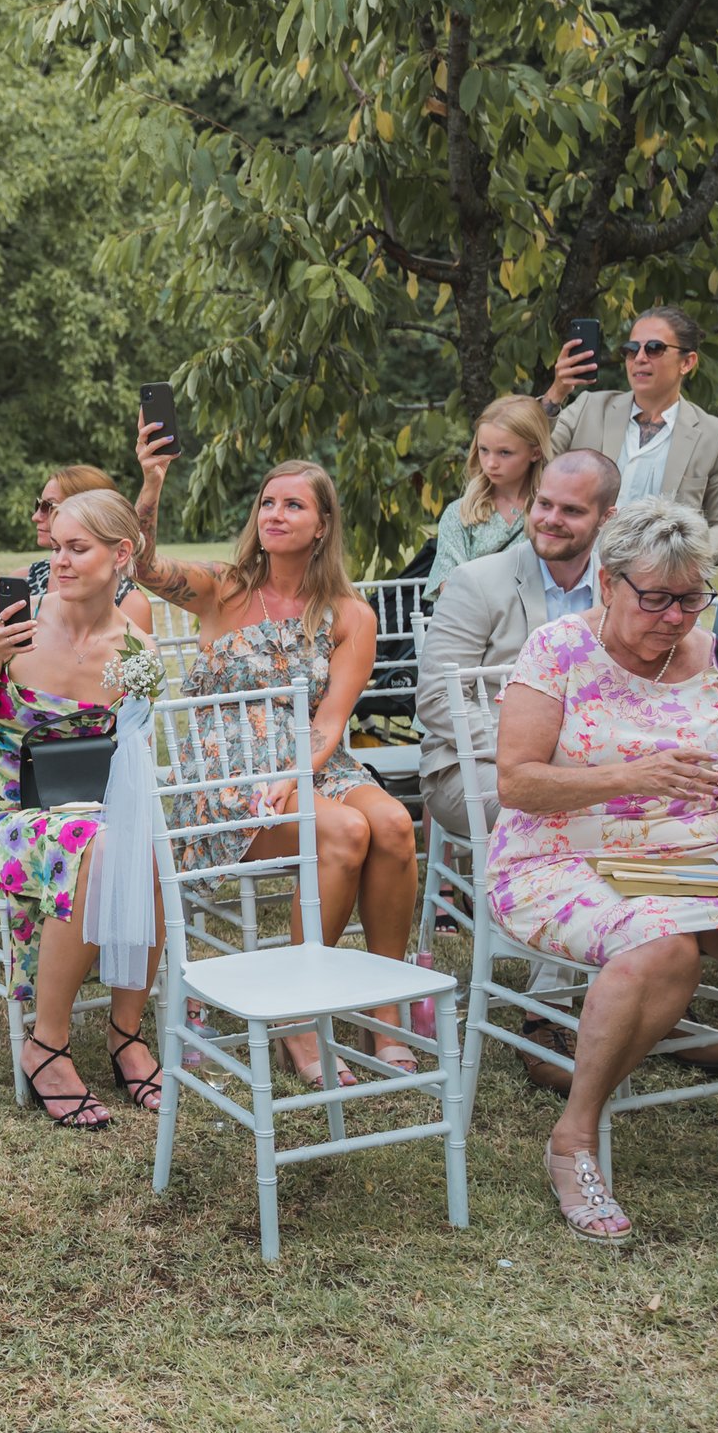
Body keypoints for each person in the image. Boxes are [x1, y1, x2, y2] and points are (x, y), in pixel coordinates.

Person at [487, 500, 718, 1253]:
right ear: (608, 585)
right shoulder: (556, 651)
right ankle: (573, 1141)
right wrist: (633, 775)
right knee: (664, 945)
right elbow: (517, 784)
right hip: (562, 855)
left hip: (698, 856)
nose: (675, 616)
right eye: (655, 597)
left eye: (690, 599)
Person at [132, 443, 419, 1084]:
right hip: (230, 778)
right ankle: (296, 1016)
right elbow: (143, 566)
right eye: (268, 502)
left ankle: (384, 1006)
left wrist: (294, 776)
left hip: (316, 764)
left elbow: (329, 721)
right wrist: (152, 484)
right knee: (345, 831)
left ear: (322, 526)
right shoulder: (222, 590)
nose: (276, 514)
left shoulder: (350, 614)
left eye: (294, 505)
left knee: (396, 824)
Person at [0, 489, 168, 1127]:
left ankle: (126, 1033)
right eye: (56, 547)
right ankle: (47, 1041)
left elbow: (137, 758)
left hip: (91, 819)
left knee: (142, 839)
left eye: (77, 548)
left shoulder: (138, 654)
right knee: (95, 843)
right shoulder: (14, 628)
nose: (59, 561)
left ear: (121, 554)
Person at [415, 451, 621, 1092]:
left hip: (591, 772)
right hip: (470, 768)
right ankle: (548, 1011)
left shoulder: (623, 588)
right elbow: (434, 702)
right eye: (544, 505)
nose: (551, 519)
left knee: (650, 816)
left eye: (571, 510)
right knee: (559, 811)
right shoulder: (479, 582)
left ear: (606, 517)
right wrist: (532, 762)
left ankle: (634, 979)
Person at [539, 306, 718, 562]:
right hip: (573, 579)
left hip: (657, 590)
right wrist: (556, 394)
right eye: (631, 350)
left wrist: (679, 555)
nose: (639, 358)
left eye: (654, 348)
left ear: (687, 362)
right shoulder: (589, 408)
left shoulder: (716, 436)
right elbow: (529, 458)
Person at [423, 394, 555, 600]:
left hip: (542, 626)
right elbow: (450, 589)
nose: (491, 463)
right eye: (484, 450)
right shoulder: (461, 513)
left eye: (504, 452)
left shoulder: (553, 512)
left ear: (536, 453)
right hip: (476, 625)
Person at [21, 464, 154, 631]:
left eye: (48, 507)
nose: (36, 516)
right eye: (56, 548)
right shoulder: (23, 580)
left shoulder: (130, 602)